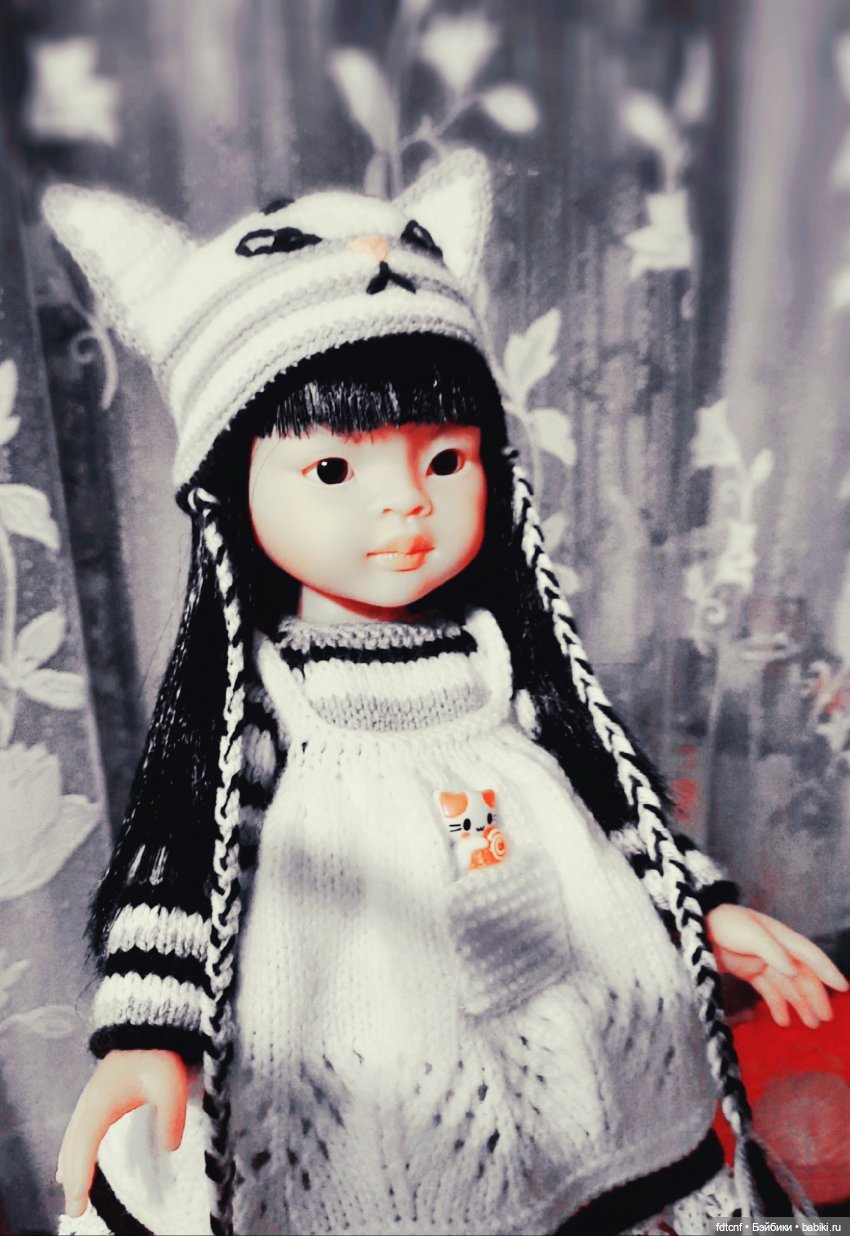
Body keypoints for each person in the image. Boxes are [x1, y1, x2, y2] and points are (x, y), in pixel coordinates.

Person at [44, 152, 847, 1236]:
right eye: (335, 470)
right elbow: (186, 858)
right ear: (232, 488)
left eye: (445, 461)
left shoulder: (500, 655)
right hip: (356, 1028)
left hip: (568, 1015)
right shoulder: (264, 695)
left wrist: (703, 912)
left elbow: (613, 798)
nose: (405, 507)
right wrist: (150, 1034)